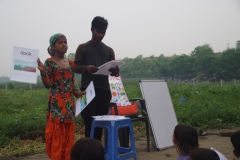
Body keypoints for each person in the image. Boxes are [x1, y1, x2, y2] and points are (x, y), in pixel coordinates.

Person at [37, 33, 85, 160]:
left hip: (69, 106)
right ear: (53, 46)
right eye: (60, 42)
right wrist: (42, 71)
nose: (64, 44)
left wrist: (77, 93)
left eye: (65, 42)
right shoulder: (49, 63)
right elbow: (48, 84)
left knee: (68, 139)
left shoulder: (70, 63)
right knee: (57, 137)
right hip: (57, 107)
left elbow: (72, 83)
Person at [74, 16, 119, 140]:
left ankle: (96, 152)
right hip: (86, 90)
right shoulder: (82, 48)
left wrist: (115, 71)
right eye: (98, 31)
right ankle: (89, 153)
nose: (101, 35)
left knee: (100, 124)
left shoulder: (109, 50)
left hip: (104, 90)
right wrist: (86, 68)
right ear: (91, 29)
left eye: (103, 32)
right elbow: (75, 67)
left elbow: (114, 72)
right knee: (89, 123)